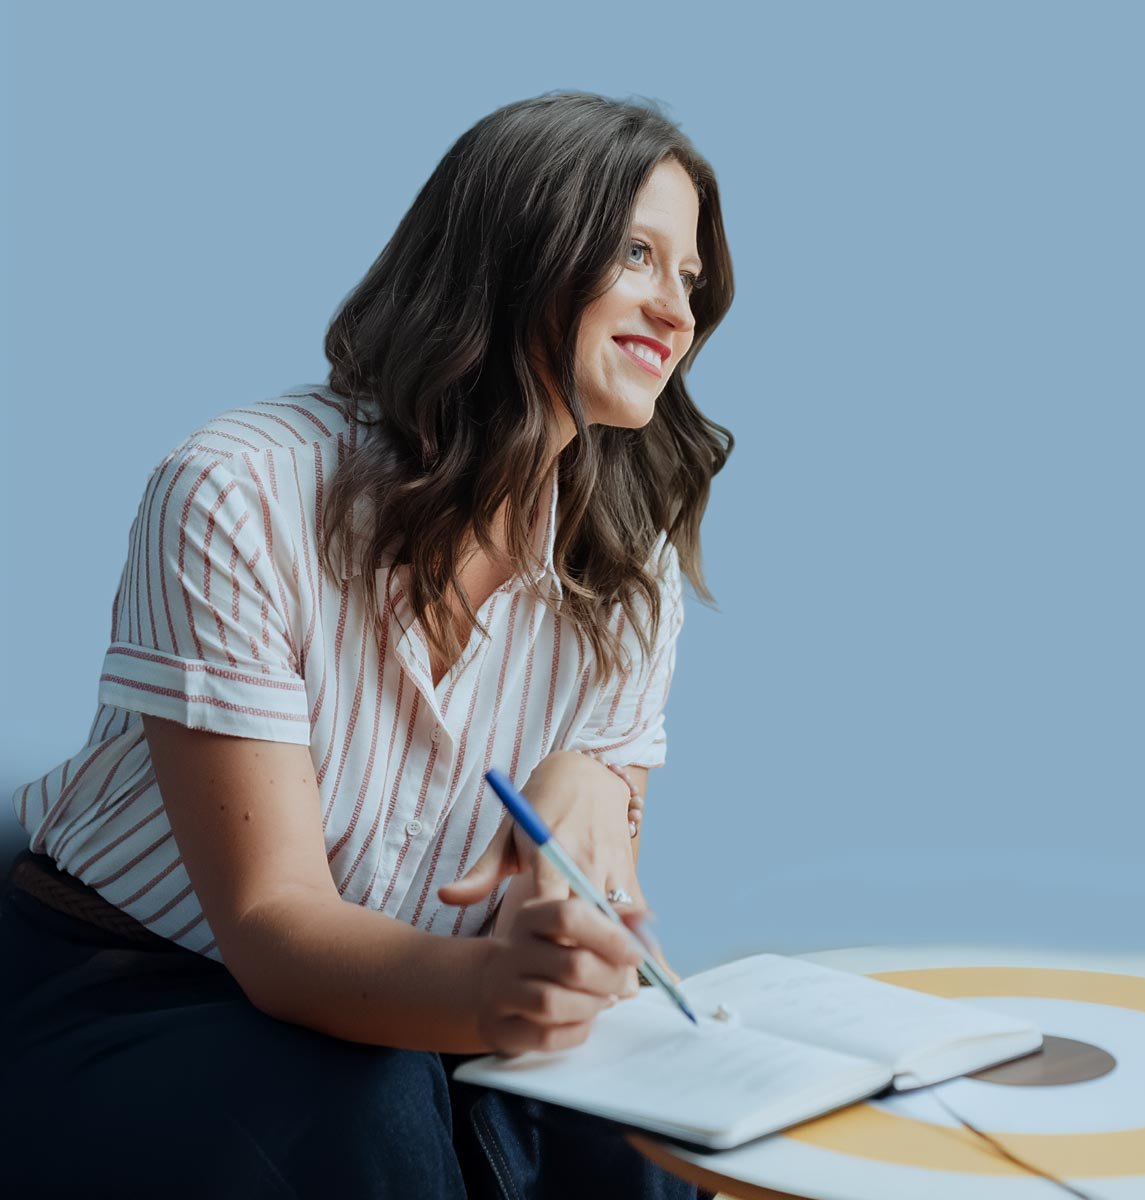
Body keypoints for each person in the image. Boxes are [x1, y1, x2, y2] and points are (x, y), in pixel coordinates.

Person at [1, 90, 734, 1198]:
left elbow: (574, 917)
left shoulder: (626, 574)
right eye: (636, 252)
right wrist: (500, 995)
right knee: (374, 1111)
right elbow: (273, 926)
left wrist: (586, 828)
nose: (676, 311)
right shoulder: (239, 493)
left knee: (639, 1143)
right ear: (517, 241)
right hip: (134, 979)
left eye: (690, 279)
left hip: (422, 996)